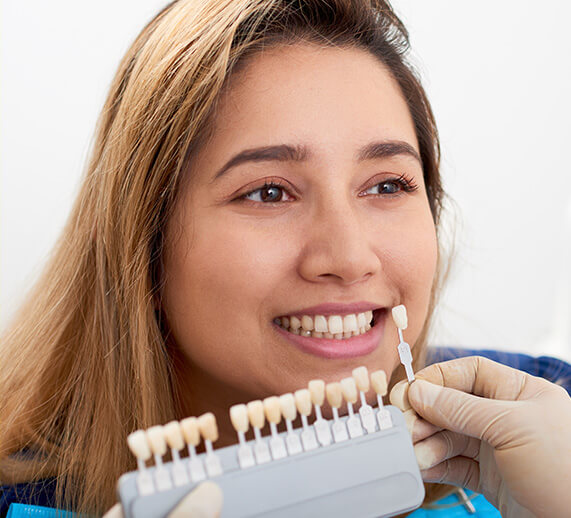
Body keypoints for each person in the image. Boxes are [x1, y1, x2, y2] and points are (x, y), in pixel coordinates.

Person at [0, 0, 569, 516]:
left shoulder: (549, 417)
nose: (348, 258)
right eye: (269, 192)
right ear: (144, 245)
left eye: (387, 185)